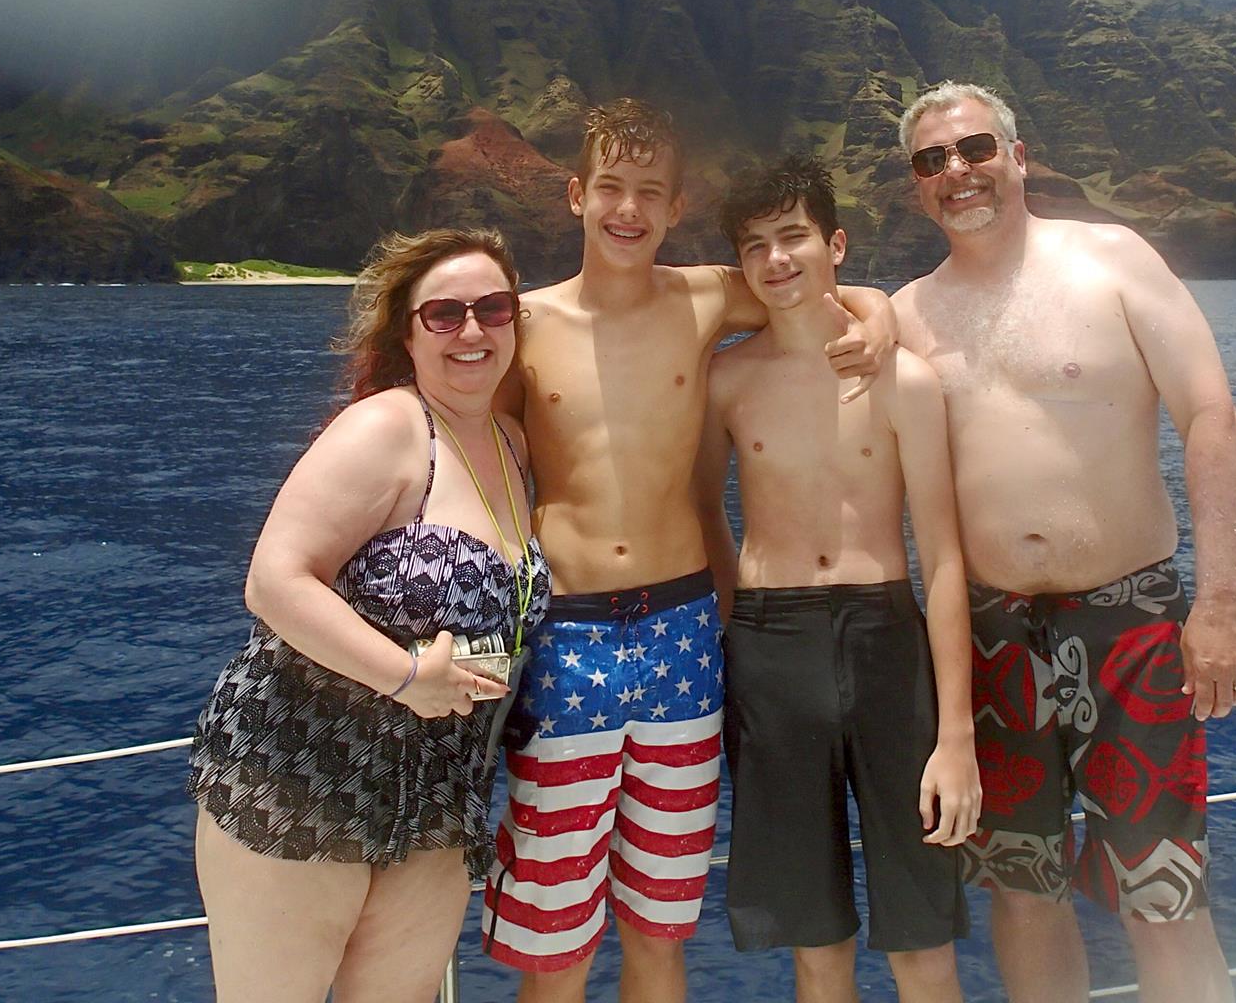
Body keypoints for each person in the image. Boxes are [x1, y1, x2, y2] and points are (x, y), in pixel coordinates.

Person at [479, 100, 897, 1003]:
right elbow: (481, 459)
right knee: (557, 944)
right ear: (577, 195)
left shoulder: (704, 296)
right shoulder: (526, 324)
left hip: (681, 633)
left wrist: (879, 315)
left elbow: (814, 284)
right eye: (611, 187)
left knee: (659, 925)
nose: (628, 209)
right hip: (567, 639)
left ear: (675, 207)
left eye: (650, 192)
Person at [891, 81, 1236, 1003]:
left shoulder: (1112, 260)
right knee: (1022, 894)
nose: (957, 171)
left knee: (1164, 896)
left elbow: (1210, 417)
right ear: (917, 187)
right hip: (990, 637)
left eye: (976, 148)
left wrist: (1222, 603)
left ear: (1018, 157)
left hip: (1130, 623)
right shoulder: (907, 317)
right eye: (932, 160)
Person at [187, 227, 553, 1003]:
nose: (473, 330)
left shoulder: (513, 445)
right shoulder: (386, 429)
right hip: (303, 777)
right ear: (406, 334)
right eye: (444, 314)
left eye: (493, 308)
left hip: (436, 798)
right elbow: (274, 580)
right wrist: (408, 676)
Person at [696, 155, 980, 1003]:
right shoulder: (727, 380)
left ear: (837, 245)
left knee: (922, 932)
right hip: (770, 647)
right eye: (755, 245)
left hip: (886, 640)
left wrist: (956, 735)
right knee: (813, 935)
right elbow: (705, 511)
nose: (776, 259)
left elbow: (944, 555)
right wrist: (737, 624)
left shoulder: (903, 379)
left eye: (794, 237)